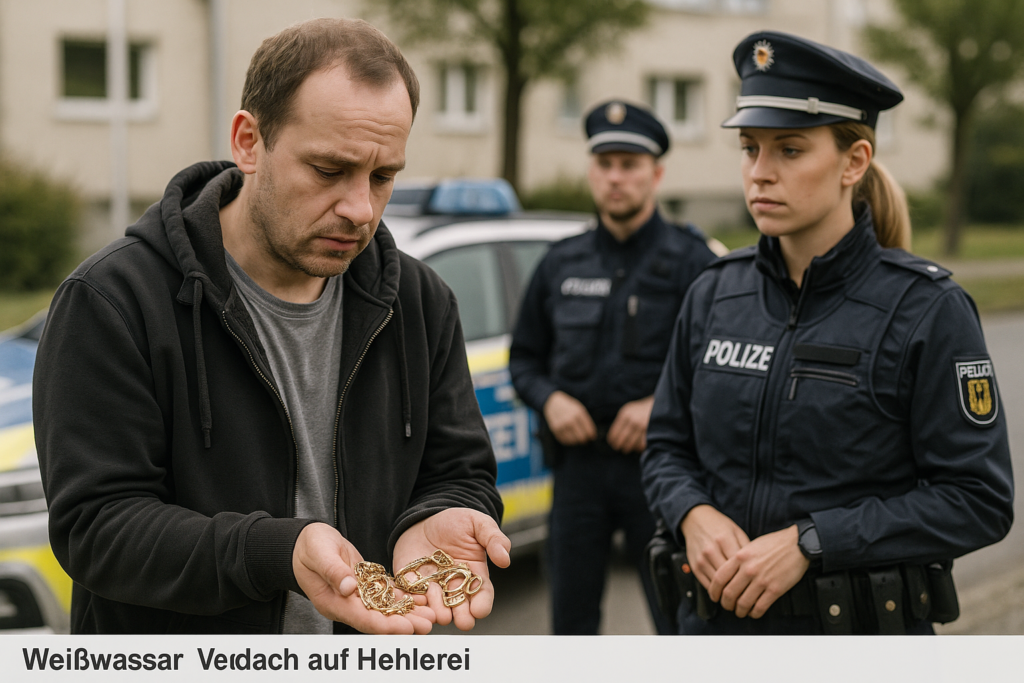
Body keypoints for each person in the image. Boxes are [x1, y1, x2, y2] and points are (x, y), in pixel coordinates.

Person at [33, 18, 509, 635]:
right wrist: (277, 553)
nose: (360, 208)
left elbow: (459, 471)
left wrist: (442, 513)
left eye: (383, 176)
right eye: (329, 169)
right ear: (249, 141)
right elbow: (97, 530)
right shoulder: (113, 300)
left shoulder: (420, 301)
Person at [641, 30, 1014, 635]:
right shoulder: (715, 292)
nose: (760, 173)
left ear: (854, 162)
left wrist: (813, 540)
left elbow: (977, 499)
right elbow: (665, 447)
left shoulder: (927, 308)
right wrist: (692, 512)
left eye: (789, 150)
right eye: (749, 148)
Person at [509, 100, 717, 635]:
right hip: (577, 473)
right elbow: (525, 359)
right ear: (591, 171)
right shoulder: (561, 261)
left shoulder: (694, 264)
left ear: (657, 173)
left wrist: (657, 409)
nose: (616, 177)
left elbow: (719, 369)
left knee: (682, 622)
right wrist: (551, 399)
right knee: (572, 627)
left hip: (662, 475)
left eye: (630, 164)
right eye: (606, 164)